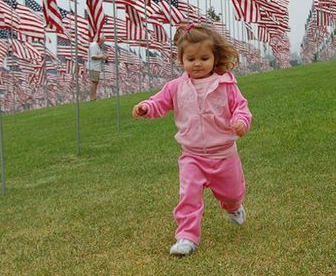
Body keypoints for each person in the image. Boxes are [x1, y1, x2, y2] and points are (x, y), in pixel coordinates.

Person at [132, 23, 251, 257]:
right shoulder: (176, 87)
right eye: (191, 59)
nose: (197, 64)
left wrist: (240, 121)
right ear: (181, 60)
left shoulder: (226, 83)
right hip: (192, 156)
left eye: (204, 58)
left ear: (215, 58)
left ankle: (233, 207)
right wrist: (147, 107)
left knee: (231, 194)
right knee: (188, 195)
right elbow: (160, 102)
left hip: (224, 155)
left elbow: (241, 108)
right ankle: (186, 236)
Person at [87, 35, 108, 101]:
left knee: (96, 82)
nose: (103, 43)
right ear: (100, 40)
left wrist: (104, 57)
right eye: (103, 41)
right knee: (94, 82)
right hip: (93, 66)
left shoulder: (98, 47)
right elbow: (93, 56)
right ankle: (92, 97)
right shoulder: (94, 45)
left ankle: (94, 97)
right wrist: (101, 57)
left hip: (97, 67)